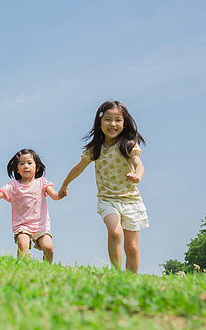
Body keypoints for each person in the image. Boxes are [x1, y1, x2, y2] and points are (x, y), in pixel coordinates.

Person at [58, 100, 148, 273]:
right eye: (107, 119)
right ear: (99, 122)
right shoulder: (95, 149)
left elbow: (140, 165)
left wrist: (137, 176)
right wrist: (65, 185)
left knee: (132, 248)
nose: (112, 124)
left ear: (124, 122)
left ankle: (131, 280)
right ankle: (116, 275)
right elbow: (78, 168)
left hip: (131, 200)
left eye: (118, 120)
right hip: (108, 200)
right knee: (115, 233)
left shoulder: (128, 145)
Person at [0, 149, 63, 261]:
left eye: (29, 163)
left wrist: (61, 193)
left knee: (49, 247)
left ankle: (46, 270)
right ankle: (21, 268)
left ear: (37, 168)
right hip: (22, 226)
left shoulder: (42, 182)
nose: (26, 166)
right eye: (22, 163)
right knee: (23, 244)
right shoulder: (13, 186)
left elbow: (55, 195)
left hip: (41, 225)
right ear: (17, 169)